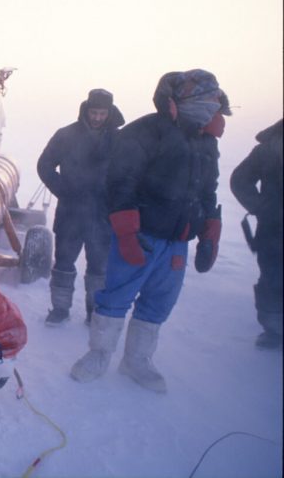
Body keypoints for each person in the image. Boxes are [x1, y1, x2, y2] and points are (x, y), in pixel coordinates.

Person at [71, 69, 230, 393]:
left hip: (177, 242)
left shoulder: (206, 141)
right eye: (205, 99)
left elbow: (207, 188)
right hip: (140, 236)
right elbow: (120, 182)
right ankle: (99, 354)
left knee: (160, 302)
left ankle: (137, 360)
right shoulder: (146, 131)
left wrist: (210, 226)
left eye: (214, 100)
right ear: (182, 100)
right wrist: (127, 232)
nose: (211, 105)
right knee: (116, 296)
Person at [37, 89, 124, 326]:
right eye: (93, 112)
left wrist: (117, 200)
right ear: (86, 109)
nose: (97, 117)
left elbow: (129, 175)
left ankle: (94, 313)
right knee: (64, 263)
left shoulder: (120, 140)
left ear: (110, 112)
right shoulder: (66, 135)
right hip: (70, 213)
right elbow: (44, 165)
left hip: (103, 216)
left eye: (102, 113)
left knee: (99, 268)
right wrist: (63, 190)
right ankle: (60, 310)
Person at [230, 119, 283, 349]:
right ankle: (274, 330)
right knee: (272, 279)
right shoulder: (268, 149)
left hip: (270, 229)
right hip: (273, 232)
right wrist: (263, 207)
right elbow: (240, 179)